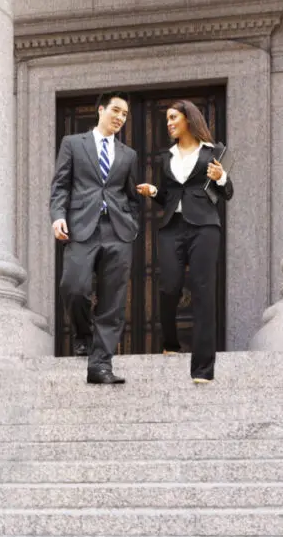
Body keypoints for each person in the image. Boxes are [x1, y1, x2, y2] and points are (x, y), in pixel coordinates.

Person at [50, 91, 143, 385]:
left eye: (125, 114)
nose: (119, 117)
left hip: (117, 231)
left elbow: (131, 197)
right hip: (81, 227)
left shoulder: (129, 155)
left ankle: (100, 364)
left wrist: (132, 223)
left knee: (113, 300)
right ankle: (82, 333)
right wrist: (58, 215)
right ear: (100, 110)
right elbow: (61, 185)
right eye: (115, 110)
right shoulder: (73, 144)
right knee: (73, 287)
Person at [135, 99, 231, 384]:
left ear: (189, 119)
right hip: (172, 228)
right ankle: (171, 343)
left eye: (173, 117)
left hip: (204, 227)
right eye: (166, 119)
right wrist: (154, 192)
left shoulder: (213, 152)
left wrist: (221, 176)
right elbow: (168, 196)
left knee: (203, 293)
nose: (169, 123)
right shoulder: (166, 157)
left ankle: (202, 369)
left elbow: (227, 193)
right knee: (169, 287)